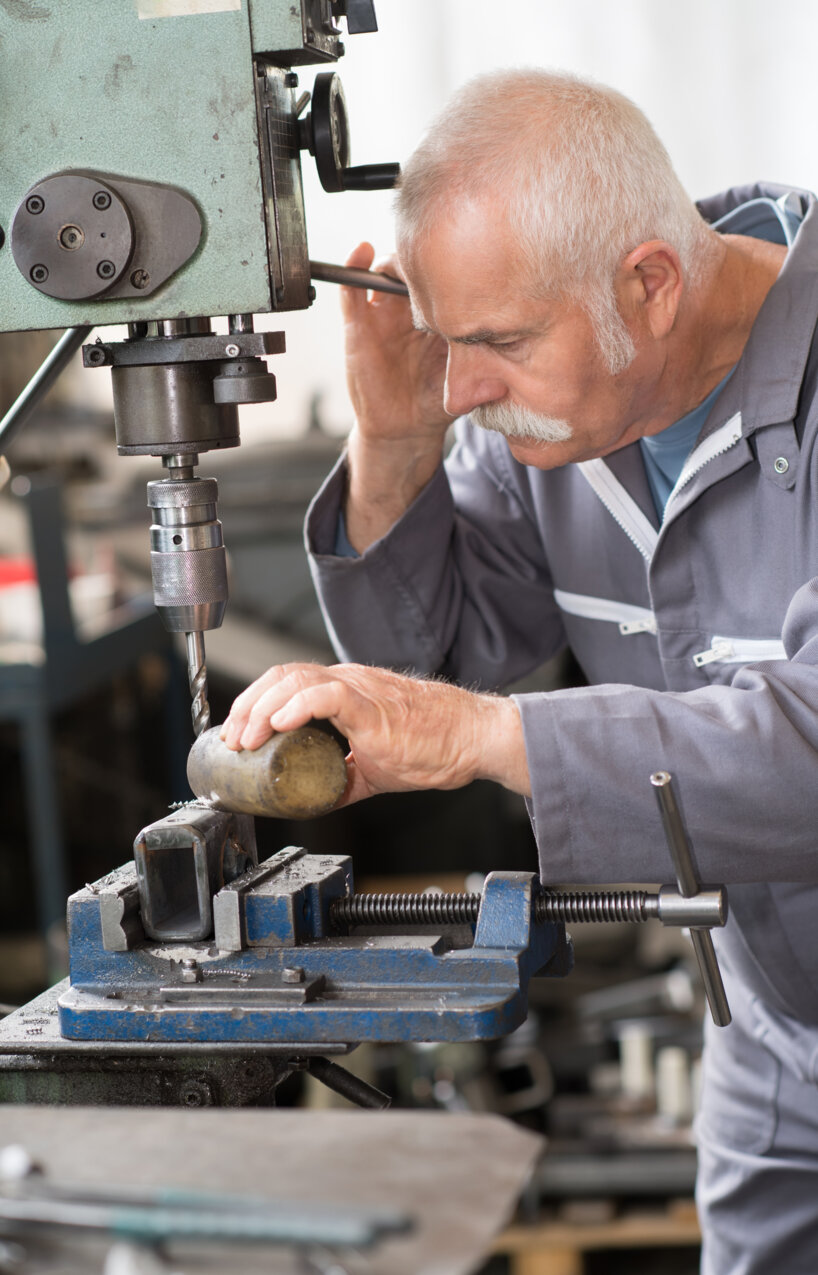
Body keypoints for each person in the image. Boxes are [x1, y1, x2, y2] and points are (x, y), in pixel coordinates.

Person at [222, 71, 818, 1273]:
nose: (464, 390)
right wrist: (396, 442)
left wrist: (486, 735)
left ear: (650, 283)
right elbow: (425, 667)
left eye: (496, 343)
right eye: (449, 343)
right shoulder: (568, 412)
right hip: (775, 1029)